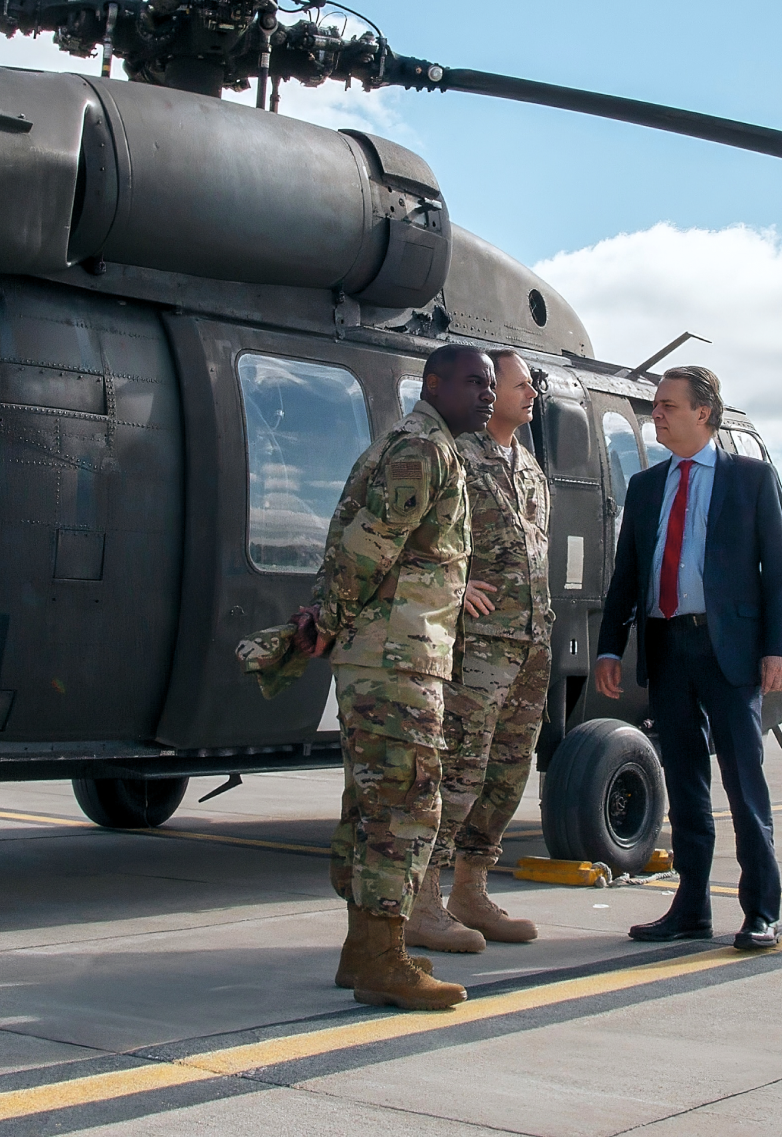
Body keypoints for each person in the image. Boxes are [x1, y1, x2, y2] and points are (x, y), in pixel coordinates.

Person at [299, 344, 495, 1010]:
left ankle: (362, 951)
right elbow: (369, 542)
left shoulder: (418, 443)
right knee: (405, 803)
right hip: (396, 655)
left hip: (385, 651)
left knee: (372, 803)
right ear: (433, 384)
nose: (487, 395)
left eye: (492, 385)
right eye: (474, 382)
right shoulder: (425, 448)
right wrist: (325, 618)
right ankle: (386, 959)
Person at [594, 365, 782, 949]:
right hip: (667, 645)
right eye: (656, 405)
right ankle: (691, 908)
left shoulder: (752, 479)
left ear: (703, 413)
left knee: (743, 781)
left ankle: (761, 910)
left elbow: (777, 576)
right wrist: (611, 644)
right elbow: (626, 575)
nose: (656, 413)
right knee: (684, 784)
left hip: (728, 649)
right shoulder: (646, 487)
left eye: (667, 406)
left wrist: (777, 648)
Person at [405, 349, 551, 953]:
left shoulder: (530, 467)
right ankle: (423, 902)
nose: (528, 395)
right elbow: (408, 533)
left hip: (530, 643)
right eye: (520, 385)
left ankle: (471, 890)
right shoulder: (455, 457)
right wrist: (453, 584)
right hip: (477, 648)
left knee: (505, 776)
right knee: (459, 773)